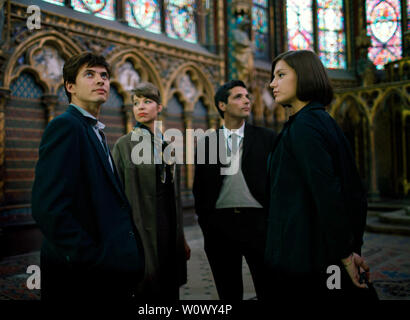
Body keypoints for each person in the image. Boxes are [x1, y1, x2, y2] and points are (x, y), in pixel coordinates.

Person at [31, 52, 144, 301]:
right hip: (82, 277)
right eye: (89, 75)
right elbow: (48, 208)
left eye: (104, 76)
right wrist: (93, 260)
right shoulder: (66, 126)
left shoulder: (93, 131)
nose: (101, 81)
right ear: (70, 86)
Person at [265, 50, 372, 299]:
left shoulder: (305, 127)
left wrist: (346, 254)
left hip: (308, 256)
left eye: (281, 75)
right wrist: (350, 247)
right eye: (273, 76)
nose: (272, 83)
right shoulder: (317, 120)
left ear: (303, 76)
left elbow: (329, 193)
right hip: (313, 251)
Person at [193, 80, 277, 300]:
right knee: (228, 292)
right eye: (238, 97)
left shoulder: (267, 138)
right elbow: (199, 188)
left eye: (247, 96)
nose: (246, 100)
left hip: (259, 225)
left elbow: (277, 182)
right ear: (222, 105)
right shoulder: (207, 143)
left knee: (269, 288)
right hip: (220, 227)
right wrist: (207, 224)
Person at [112, 82, 190, 301]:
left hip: (168, 226)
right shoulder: (124, 145)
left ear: (159, 108)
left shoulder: (168, 147)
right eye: (136, 103)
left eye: (147, 101)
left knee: (169, 285)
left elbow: (175, 197)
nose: (141, 107)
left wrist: (181, 238)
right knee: (147, 287)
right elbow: (115, 195)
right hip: (141, 227)